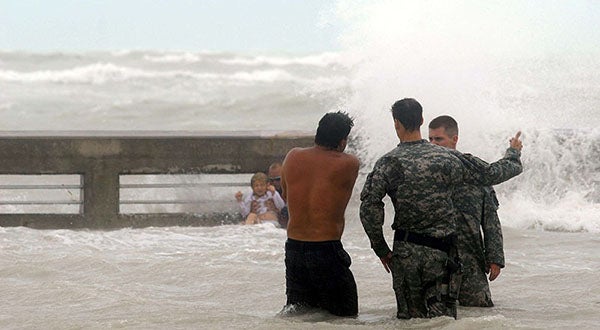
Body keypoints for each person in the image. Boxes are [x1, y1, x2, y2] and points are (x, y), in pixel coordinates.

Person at [360, 98, 523, 319]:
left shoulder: (387, 162)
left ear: (396, 123)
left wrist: (381, 250)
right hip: (441, 254)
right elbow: (491, 174)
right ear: (421, 120)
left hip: (406, 252)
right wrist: (512, 154)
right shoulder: (449, 158)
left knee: (410, 321)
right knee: (442, 321)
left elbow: (369, 207)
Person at [279, 111, 360, 317]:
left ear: (317, 133)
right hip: (325, 250)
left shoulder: (293, 156)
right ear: (343, 141)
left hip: (294, 249)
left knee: (300, 315)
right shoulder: (348, 163)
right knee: (345, 317)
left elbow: (286, 196)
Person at [429, 115, 506, 307]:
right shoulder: (426, 171)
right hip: (435, 258)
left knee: (479, 312)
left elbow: (490, 220)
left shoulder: (475, 173)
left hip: (469, 258)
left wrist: (495, 258)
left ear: (454, 139)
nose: (433, 144)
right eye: (430, 139)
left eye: (438, 139)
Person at [267, 162, 289, 228]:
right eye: (271, 180)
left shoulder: (292, 190)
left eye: (278, 179)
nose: (274, 183)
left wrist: (277, 211)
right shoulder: (265, 191)